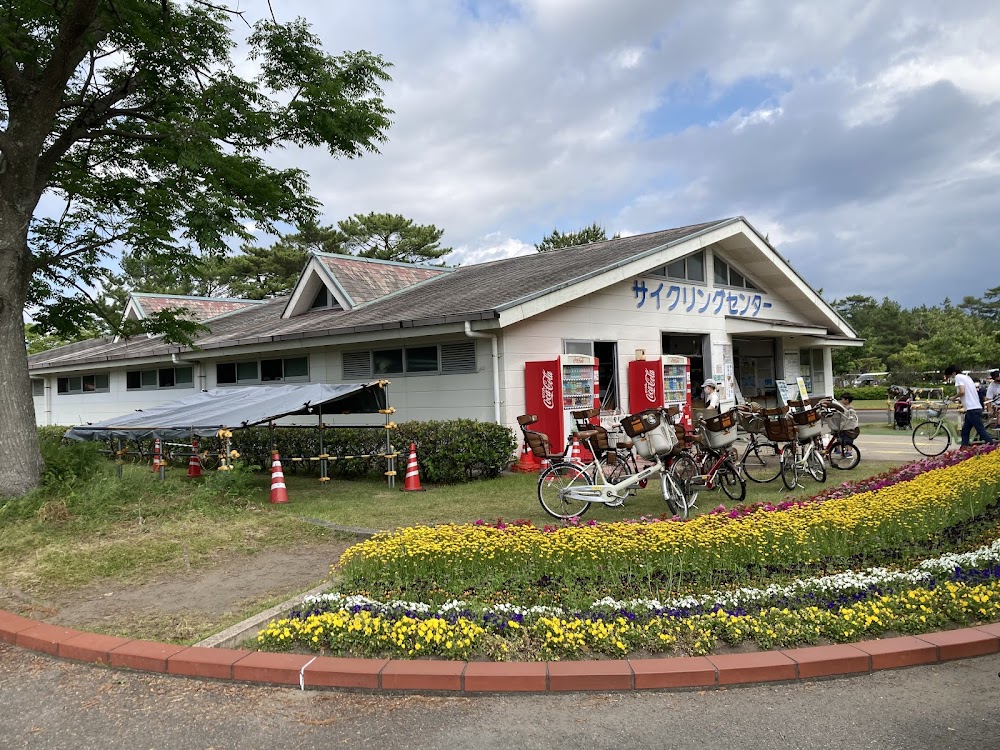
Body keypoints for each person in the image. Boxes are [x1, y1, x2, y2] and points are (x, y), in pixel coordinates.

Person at [944, 365, 996, 447]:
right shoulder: (966, 378)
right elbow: (967, 394)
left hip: (972, 409)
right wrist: (958, 399)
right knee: (965, 431)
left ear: (953, 373)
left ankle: (993, 446)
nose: (951, 378)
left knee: (981, 431)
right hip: (973, 408)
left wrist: (953, 397)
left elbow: (962, 391)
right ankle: (963, 448)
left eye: (950, 376)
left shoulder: (958, 377)